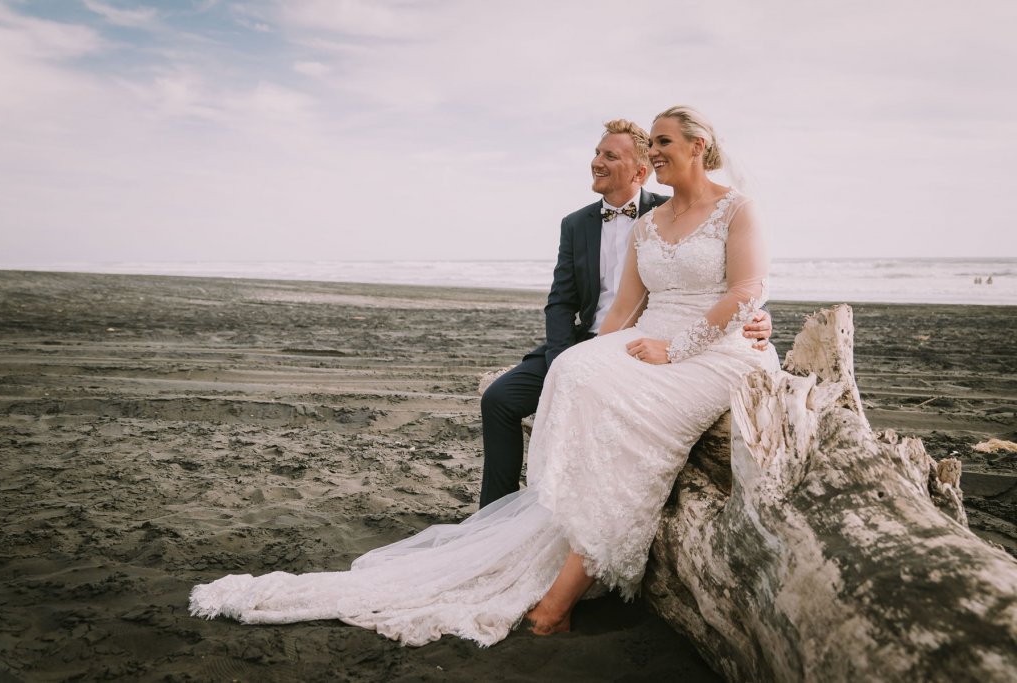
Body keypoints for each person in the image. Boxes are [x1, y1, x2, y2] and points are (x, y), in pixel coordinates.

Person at [189, 105, 780, 647]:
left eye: (661, 142)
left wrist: (712, 335)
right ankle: (513, 510)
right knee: (562, 377)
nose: (653, 151)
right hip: (638, 339)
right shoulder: (624, 225)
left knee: (618, 418)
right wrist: (579, 361)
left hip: (707, 347)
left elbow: (747, 288)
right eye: (649, 143)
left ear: (699, 146)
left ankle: (565, 590)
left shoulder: (730, 208)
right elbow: (613, 312)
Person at [479, 119, 771, 508]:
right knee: (498, 399)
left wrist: (761, 319)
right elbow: (561, 302)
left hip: (649, 343)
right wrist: (561, 355)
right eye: (597, 153)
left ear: (640, 170)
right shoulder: (575, 223)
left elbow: (729, 284)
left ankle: (589, 503)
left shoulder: (674, 211)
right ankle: (494, 510)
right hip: (587, 340)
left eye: (609, 155)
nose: (596, 162)